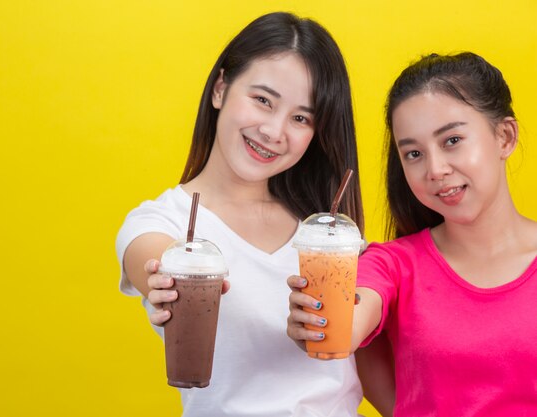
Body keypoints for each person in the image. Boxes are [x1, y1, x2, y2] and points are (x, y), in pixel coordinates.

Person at [116, 11, 387, 417]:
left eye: (300, 118)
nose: (274, 132)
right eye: (262, 100)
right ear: (221, 88)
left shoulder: (326, 235)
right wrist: (166, 282)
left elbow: (379, 378)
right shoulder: (160, 222)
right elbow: (155, 262)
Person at [287, 52, 537, 416]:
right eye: (414, 153)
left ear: (504, 137)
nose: (434, 169)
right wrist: (318, 321)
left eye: (452, 140)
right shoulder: (391, 264)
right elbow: (353, 317)